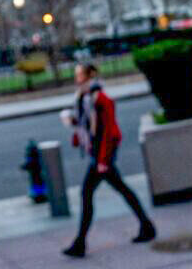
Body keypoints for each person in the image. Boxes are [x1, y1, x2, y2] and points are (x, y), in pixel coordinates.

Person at [61, 63, 156, 258]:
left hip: (102, 154)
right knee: (121, 189)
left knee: (87, 194)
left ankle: (80, 243)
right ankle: (146, 226)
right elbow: (86, 123)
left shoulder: (101, 99)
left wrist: (103, 160)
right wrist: (73, 124)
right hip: (98, 154)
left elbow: (108, 132)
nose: (76, 78)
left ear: (89, 76)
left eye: (79, 75)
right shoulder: (83, 97)